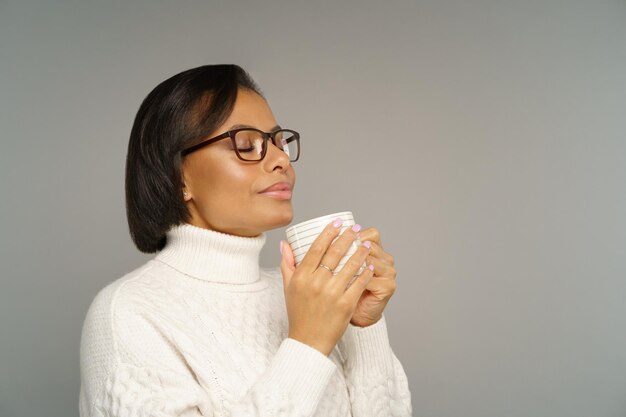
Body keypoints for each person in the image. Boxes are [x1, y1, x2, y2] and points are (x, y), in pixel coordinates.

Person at [79, 64, 412, 417]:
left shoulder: (307, 297)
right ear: (178, 178)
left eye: (278, 142)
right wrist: (308, 344)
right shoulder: (127, 314)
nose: (281, 159)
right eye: (246, 144)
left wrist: (363, 327)